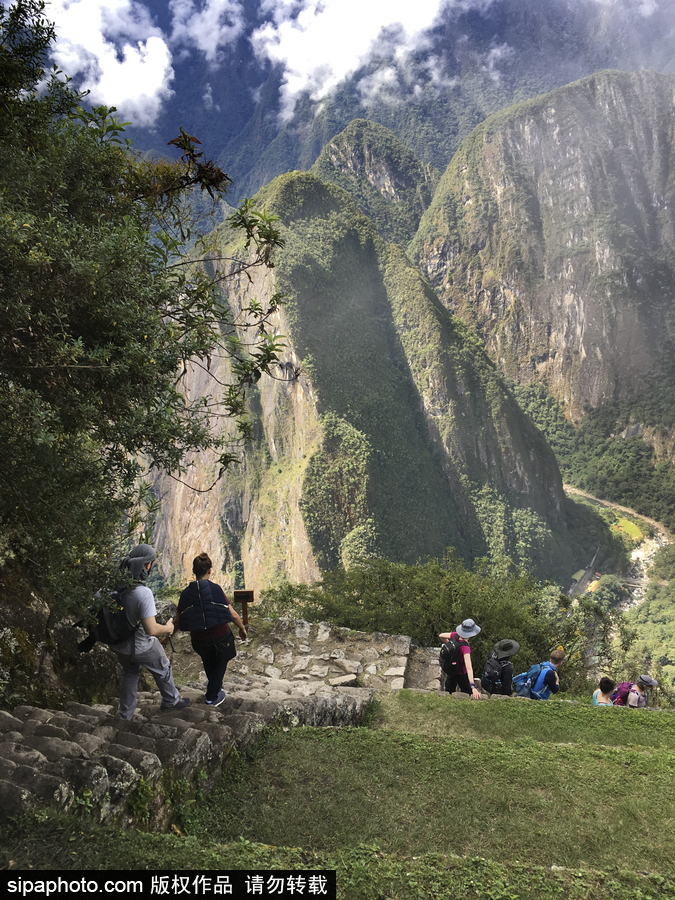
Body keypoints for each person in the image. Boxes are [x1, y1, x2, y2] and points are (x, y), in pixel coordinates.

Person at [111, 543, 190, 720]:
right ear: (147, 565)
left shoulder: (112, 589)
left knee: (130, 674)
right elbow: (152, 629)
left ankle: (125, 715)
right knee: (162, 667)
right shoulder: (142, 593)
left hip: (119, 646)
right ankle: (171, 700)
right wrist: (169, 628)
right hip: (141, 646)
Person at [173, 552, 247, 707]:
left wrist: (168, 637)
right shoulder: (216, 589)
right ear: (210, 570)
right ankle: (212, 697)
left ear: (193, 571)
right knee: (220, 661)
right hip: (221, 637)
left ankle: (215, 687)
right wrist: (241, 627)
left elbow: (177, 620)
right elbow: (232, 614)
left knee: (209, 661)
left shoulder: (186, 594)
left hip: (199, 640)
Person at [439, 618, 481, 700]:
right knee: (466, 691)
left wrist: (449, 646)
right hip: (461, 672)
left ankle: (448, 699)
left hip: (451, 668)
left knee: (449, 688)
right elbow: (469, 667)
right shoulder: (465, 647)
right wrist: (473, 686)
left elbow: (441, 635)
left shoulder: (455, 635)